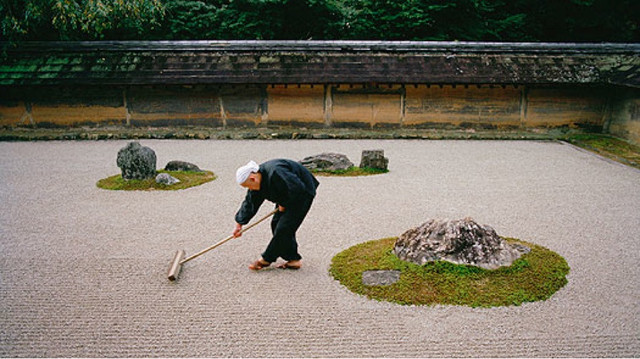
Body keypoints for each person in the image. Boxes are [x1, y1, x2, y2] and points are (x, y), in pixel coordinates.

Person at [233, 159, 319, 271]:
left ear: (252, 178)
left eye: (248, 186)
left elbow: (297, 188)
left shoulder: (276, 172)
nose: (249, 189)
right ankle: (293, 259)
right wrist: (239, 223)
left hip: (303, 192)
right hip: (286, 195)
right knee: (276, 224)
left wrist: (285, 203)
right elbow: (250, 203)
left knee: (284, 227)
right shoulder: (257, 181)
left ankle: (266, 259)